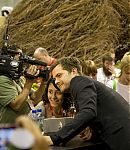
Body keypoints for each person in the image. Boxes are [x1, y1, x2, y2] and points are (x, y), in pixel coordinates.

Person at [42, 57, 130, 150]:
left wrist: (55, 138)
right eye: (54, 78)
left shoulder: (79, 81)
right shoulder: (83, 83)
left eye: (59, 75)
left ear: (74, 71)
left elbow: (88, 112)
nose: (56, 82)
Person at [0, 46, 46, 123]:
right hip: (8, 129)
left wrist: (44, 83)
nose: (22, 62)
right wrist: (29, 82)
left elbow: (35, 98)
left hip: (23, 127)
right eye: (20, 58)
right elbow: (16, 105)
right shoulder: (2, 79)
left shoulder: (18, 78)